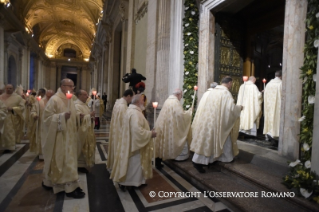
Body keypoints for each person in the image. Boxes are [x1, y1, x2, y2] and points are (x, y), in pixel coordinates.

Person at [42, 78, 85, 198]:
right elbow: (46, 119)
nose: (72, 89)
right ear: (63, 86)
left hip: (70, 136)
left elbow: (72, 113)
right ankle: (66, 187)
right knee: (62, 161)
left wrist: (78, 116)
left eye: (73, 87)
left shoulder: (69, 99)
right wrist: (61, 117)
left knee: (69, 160)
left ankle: (70, 185)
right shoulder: (54, 100)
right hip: (59, 138)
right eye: (70, 86)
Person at [190, 77, 243, 173]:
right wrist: (239, 108)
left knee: (210, 141)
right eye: (231, 84)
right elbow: (230, 109)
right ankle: (197, 161)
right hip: (217, 122)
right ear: (230, 83)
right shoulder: (225, 93)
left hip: (208, 120)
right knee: (210, 141)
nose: (231, 86)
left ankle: (223, 158)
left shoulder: (213, 92)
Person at [110, 94, 156, 191]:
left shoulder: (130, 111)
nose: (144, 102)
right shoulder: (135, 113)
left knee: (132, 164)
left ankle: (134, 181)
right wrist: (150, 134)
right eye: (143, 101)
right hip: (134, 145)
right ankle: (130, 183)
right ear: (138, 102)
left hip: (129, 142)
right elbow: (137, 131)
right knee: (134, 164)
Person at [154, 89, 193, 169]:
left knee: (161, 144)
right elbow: (180, 115)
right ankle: (160, 161)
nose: (181, 98)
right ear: (178, 95)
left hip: (162, 124)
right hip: (169, 126)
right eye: (181, 96)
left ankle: (158, 162)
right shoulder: (175, 102)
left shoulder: (168, 100)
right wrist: (189, 112)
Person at [107, 89, 134, 172]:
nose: (132, 100)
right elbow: (124, 122)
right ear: (128, 96)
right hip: (120, 131)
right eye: (132, 97)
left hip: (116, 129)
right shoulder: (123, 107)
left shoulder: (118, 103)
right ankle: (119, 168)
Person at [74, 90, 96, 172]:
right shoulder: (76, 105)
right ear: (79, 95)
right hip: (80, 132)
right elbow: (77, 118)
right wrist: (89, 116)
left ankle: (83, 164)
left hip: (87, 130)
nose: (87, 96)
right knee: (80, 147)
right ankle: (79, 165)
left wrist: (91, 117)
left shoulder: (84, 105)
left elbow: (85, 116)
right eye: (85, 95)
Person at [0, 84, 25, 151]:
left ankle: (10, 146)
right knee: (2, 132)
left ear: (13, 89)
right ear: (5, 89)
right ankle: (2, 146)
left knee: (10, 132)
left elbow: (22, 107)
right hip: (1, 117)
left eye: (10, 88)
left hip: (11, 117)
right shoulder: (1, 97)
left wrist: (13, 109)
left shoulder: (18, 97)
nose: (8, 89)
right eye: (7, 88)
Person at [263, 71, 282, 140]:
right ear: (281, 76)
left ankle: (269, 132)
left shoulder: (268, 84)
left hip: (269, 106)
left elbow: (265, 94)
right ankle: (276, 134)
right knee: (277, 119)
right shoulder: (281, 84)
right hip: (278, 106)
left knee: (270, 118)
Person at [29, 88, 46, 156]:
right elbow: (33, 110)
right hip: (40, 124)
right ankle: (41, 152)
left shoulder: (53, 102)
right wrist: (34, 115)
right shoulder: (38, 102)